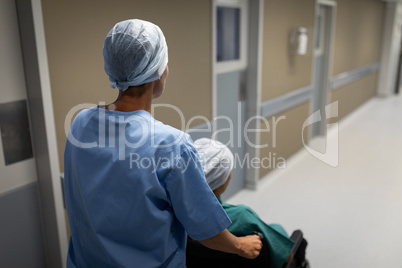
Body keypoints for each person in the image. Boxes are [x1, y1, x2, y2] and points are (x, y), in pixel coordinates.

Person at [63, 19, 261, 268]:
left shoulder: (80, 124)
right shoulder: (171, 145)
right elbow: (205, 229)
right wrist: (241, 245)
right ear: (159, 72)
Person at [193, 138, 297, 268]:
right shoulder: (240, 216)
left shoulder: (172, 212)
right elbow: (287, 256)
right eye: (228, 171)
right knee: (282, 231)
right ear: (220, 181)